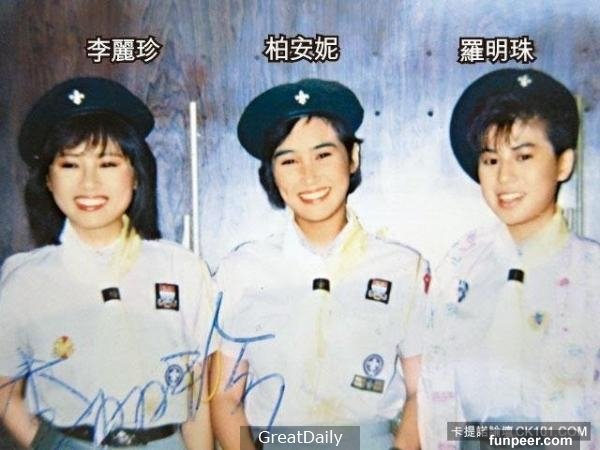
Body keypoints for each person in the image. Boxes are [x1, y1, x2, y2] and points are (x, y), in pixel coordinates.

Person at [210, 79, 429, 449]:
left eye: (323, 155)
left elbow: (421, 390)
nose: (308, 175)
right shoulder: (241, 270)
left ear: (353, 157)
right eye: (289, 160)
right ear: (271, 173)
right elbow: (225, 396)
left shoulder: (404, 268)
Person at [0, 77, 215, 449]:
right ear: (48, 180)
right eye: (70, 165)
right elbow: (4, 387)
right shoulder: (25, 278)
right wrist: (50, 445)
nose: (89, 183)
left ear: (136, 175)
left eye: (108, 163)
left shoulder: (181, 269)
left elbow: (198, 397)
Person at [419, 69, 600, 450]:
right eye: (491, 160)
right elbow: (435, 393)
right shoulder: (460, 268)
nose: (505, 177)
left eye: (523, 156)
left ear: (563, 164)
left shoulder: (593, 272)